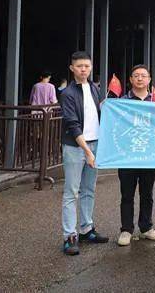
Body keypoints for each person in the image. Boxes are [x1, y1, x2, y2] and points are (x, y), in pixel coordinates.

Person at [60, 51, 109, 255]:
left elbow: (98, 113)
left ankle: (86, 228)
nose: (83, 69)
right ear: (72, 68)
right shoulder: (67, 93)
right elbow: (72, 124)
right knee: (72, 191)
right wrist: (87, 151)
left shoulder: (95, 88)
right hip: (75, 146)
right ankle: (69, 236)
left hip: (95, 143)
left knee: (89, 189)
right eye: (79, 66)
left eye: (87, 66)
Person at [116, 65, 155, 247]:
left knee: (147, 193)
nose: (140, 79)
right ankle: (126, 230)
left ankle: (146, 227)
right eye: (136, 75)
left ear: (149, 79)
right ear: (130, 79)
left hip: (149, 155)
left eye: (143, 76)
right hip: (127, 155)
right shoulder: (122, 102)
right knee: (127, 194)